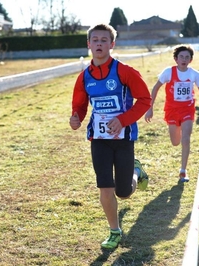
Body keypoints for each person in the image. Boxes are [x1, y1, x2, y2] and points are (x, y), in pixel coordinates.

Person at [69, 23, 151, 248]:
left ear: (112, 44)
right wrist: (76, 118)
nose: (99, 44)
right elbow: (79, 107)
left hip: (123, 139)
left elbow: (145, 100)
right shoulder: (84, 77)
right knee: (105, 186)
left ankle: (136, 171)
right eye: (95, 40)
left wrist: (123, 120)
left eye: (104, 40)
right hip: (99, 140)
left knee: (123, 193)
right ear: (88, 44)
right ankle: (114, 231)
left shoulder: (124, 71)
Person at [144, 45, 199, 183]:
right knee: (175, 142)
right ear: (176, 59)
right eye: (181, 57)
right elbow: (155, 88)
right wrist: (150, 108)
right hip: (172, 110)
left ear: (190, 60)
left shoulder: (194, 74)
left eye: (187, 57)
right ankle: (178, 130)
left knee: (186, 139)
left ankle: (183, 171)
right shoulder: (168, 72)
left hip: (187, 109)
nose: (184, 59)